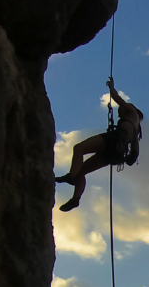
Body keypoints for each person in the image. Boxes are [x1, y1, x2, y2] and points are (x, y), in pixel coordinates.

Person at [55, 78, 143, 211]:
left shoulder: (131, 110)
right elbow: (134, 152)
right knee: (82, 171)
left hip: (112, 140)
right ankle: (75, 199)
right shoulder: (136, 131)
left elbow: (117, 98)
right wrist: (128, 158)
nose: (119, 113)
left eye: (120, 111)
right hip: (115, 154)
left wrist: (112, 87)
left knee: (78, 148)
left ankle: (71, 177)